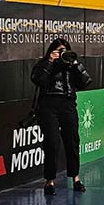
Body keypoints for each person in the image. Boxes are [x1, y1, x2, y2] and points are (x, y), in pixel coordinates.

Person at [30, 38, 91, 195]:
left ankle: (75, 178)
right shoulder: (44, 64)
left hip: (68, 104)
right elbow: (38, 80)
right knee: (51, 142)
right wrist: (50, 61)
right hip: (48, 105)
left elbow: (86, 81)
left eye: (64, 51)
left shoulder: (71, 65)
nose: (62, 54)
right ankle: (49, 181)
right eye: (59, 51)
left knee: (72, 141)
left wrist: (75, 64)